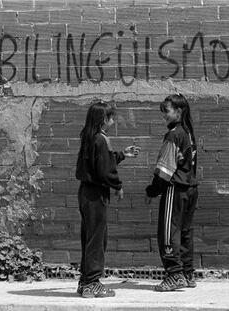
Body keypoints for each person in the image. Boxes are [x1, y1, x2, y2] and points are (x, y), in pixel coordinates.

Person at [75, 100, 140, 298]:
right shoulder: (101, 139)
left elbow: (102, 161)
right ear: (103, 119)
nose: (112, 120)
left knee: (89, 237)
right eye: (110, 117)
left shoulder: (89, 137)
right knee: (97, 239)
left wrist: (122, 155)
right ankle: (92, 283)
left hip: (86, 192)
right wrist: (117, 185)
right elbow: (105, 170)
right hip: (96, 195)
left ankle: (85, 281)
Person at [145, 94, 198, 292]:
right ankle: (187, 273)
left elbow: (165, 171)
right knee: (185, 232)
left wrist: (152, 191)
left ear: (178, 111)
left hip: (175, 189)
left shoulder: (174, 134)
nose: (164, 116)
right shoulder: (188, 132)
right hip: (191, 189)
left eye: (166, 112)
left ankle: (174, 274)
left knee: (168, 232)